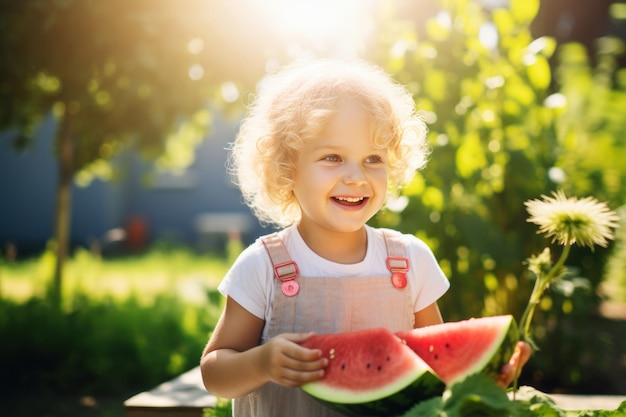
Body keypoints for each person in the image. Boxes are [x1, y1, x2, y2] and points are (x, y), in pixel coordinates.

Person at [200, 59, 530, 417]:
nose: (356, 176)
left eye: (373, 158)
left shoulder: (410, 261)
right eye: (332, 157)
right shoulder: (264, 265)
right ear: (287, 169)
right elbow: (215, 372)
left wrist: (489, 372)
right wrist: (261, 363)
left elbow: (442, 372)